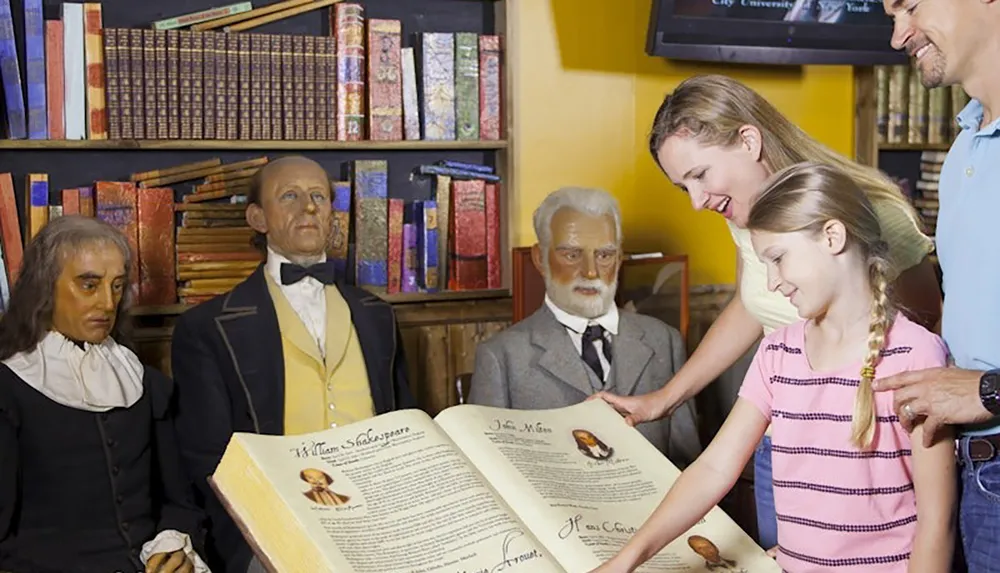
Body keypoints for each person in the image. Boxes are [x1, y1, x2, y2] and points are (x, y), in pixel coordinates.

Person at [592, 74, 942, 550]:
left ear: (749, 141)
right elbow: (751, 305)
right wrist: (664, 399)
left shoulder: (873, 216)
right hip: (780, 443)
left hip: (865, 448)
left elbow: (922, 330)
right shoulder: (748, 223)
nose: (696, 202)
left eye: (699, 176)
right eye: (682, 188)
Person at [171, 155, 416, 573]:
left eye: (319, 196)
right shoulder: (207, 328)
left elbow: (407, 426)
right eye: (290, 196)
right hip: (276, 530)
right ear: (257, 217)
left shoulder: (378, 315)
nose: (308, 207)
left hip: (383, 519)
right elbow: (208, 459)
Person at [0, 215, 208, 573]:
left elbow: (178, 500)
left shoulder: (144, 382)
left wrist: (174, 546)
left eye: (116, 286)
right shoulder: (9, 389)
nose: (108, 303)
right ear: (45, 286)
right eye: (89, 285)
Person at [873, 1, 1000, 569]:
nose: (899, 35)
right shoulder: (964, 150)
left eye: (910, 5)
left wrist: (988, 391)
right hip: (971, 470)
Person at [468, 187, 702, 466]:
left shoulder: (663, 340)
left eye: (604, 255)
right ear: (539, 258)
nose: (591, 272)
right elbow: (489, 471)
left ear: (619, 257)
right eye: (571, 255)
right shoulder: (501, 357)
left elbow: (688, 463)